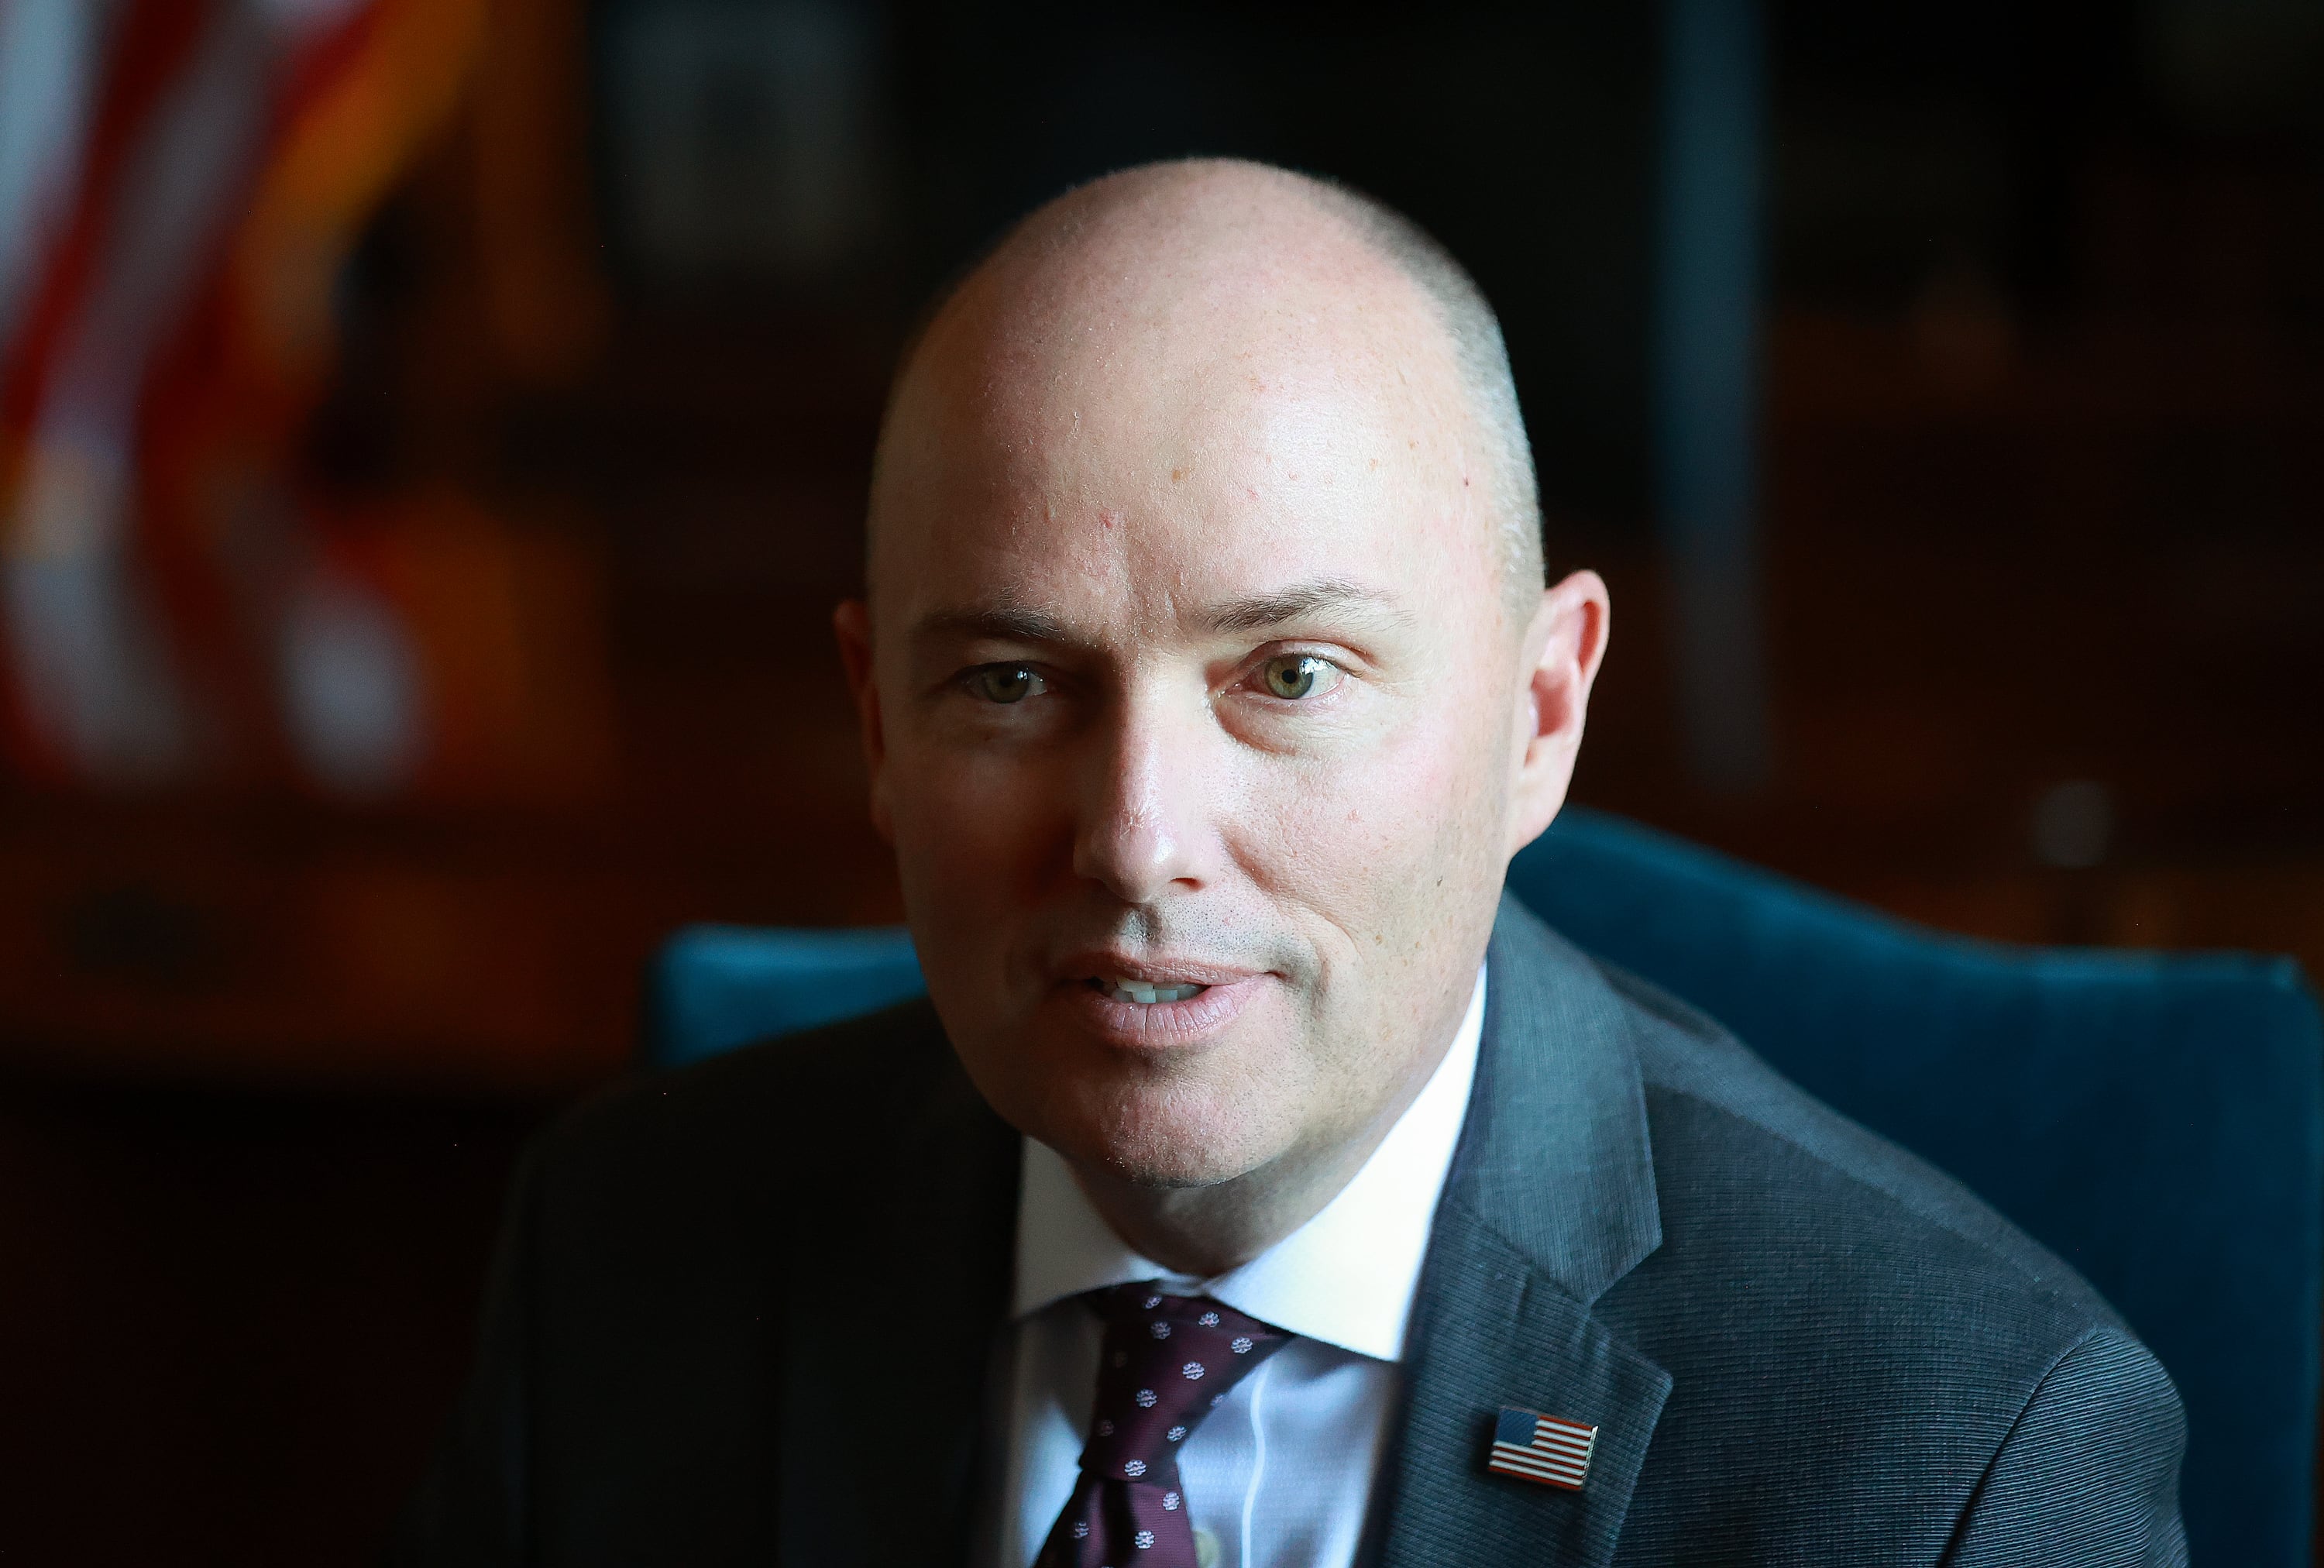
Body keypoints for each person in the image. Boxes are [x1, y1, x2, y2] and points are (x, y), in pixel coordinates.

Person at [390, 160, 2185, 1567]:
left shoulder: (1956, 1462)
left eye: (1291, 676)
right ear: (875, 722)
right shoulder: (621, 1258)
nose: (1138, 837)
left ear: (1541, 714)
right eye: (1013, 683)